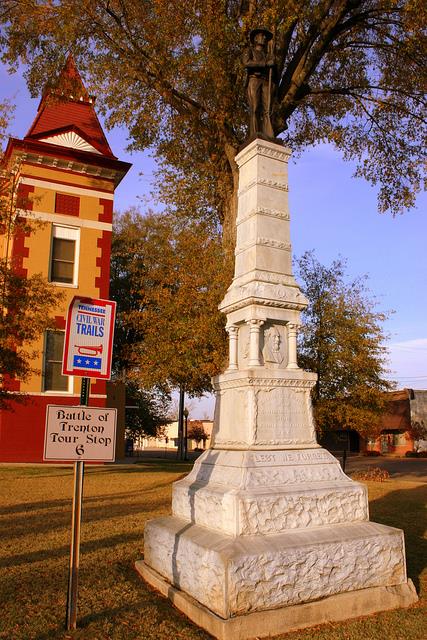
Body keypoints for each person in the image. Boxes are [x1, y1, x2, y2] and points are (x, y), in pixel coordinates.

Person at [243, 27, 276, 139]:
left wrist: (273, 63)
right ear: (256, 39)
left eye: (265, 37)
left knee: (268, 109)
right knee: (255, 107)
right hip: (254, 80)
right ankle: (255, 133)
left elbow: (273, 72)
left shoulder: (268, 55)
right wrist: (265, 64)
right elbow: (247, 63)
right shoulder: (250, 51)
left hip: (266, 81)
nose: (265, 38)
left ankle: (269, 134)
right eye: (262, 36)